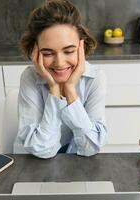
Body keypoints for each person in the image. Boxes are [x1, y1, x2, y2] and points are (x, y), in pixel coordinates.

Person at [15, 0, 107, 159]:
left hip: (76, 159)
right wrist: (54, 90)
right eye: (48, 53)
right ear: (35, 52)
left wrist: (70, 91)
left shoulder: (95, 78)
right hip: (34, 162)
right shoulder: (29, 77)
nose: (59, 63)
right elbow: (42, 150)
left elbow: (90, 147)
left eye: (69, 51)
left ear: (81, 48)